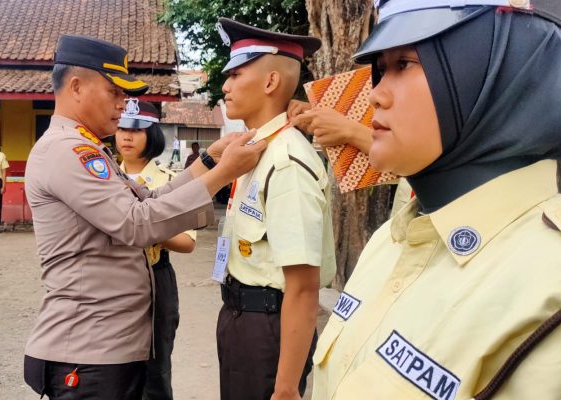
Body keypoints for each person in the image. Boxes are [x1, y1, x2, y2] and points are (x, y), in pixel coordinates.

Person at [312, 1, 561, 399]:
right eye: (381, 68)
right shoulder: (390, 240)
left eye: (404, 63)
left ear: (502, 77)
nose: (375, 95)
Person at [22, 34, 266, 400]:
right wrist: (223, 175)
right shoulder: (66, 150)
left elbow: (148, 199)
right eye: (114, 92)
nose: (124, 104)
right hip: (87, 353)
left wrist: (209, 162)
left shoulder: (86, 146)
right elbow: (136, 224)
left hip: (105, 346)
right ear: (76, 86)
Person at [214, 18, 336, 400]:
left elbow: (303, 288)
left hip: (268, 327)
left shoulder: (286, 161)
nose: (225, 86)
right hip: (240, 317)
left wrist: (285, 387)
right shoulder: (255, 151)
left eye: (235, 75)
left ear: (270, 83)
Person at [116, 99, 196, 400]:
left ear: (152, 135)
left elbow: (187, 242)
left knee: (155, 366)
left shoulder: (170, 181)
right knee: (112, 365)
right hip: (111, 276)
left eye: (136, 131)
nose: (126, 136)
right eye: (121, 128)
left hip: (154, 277)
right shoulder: (103, 176)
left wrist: (142, 226)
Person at [289, 100, 413, 217]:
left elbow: (412, 157)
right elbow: (350, 165)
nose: (376, 94)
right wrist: (325, 123)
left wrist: (350, 130)